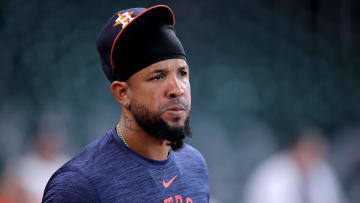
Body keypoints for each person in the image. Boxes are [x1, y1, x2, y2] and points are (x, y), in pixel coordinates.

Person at [42, 5, 209, 203]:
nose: (177, 89)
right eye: (158, 76)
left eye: (182, 73)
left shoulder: (194, 165)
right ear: (122, 93)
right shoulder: (78, 186)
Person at [243, 127, 345, 203]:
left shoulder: (321, 169)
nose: (310, 160)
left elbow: (334, 199)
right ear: (296, 149)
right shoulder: (273, 174)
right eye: (308, 152)